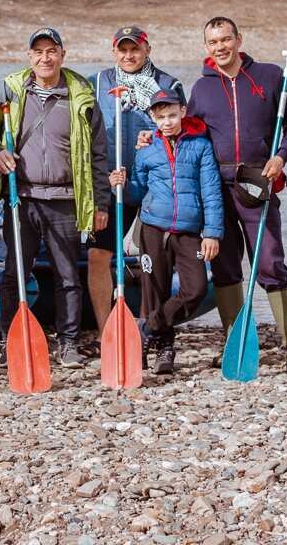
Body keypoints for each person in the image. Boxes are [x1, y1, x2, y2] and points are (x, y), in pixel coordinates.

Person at [0, 27, 109, 369]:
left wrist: (101, 203)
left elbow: (98, 155)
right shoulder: (11, 88)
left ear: (62, 54)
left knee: (67, 275)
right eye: (38, 52)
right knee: (14, 272)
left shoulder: (82, 93)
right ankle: (10, 341)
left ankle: (68, 344)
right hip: (22, 197)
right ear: (29, 56)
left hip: (66, 198)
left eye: (52, 51)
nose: (45, 58)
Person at [185, 16, 287, 373]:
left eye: (226, 39)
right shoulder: (202, 89)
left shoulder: (272, 77)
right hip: (216, 186)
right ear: (206, 47)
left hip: (258, 181)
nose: (220, 47)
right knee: (225, 267)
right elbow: (191, 138)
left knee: (271, 264)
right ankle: (233, 341)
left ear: (239, 39)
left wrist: (282, 154)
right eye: (213, 42)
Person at [87, 26, 186, 348]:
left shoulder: (168, 85)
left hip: (154, 186)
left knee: (151, 258)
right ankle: (105, 332)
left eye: (136, 49)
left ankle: (150, 328)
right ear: (114, 51)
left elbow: (182, 133)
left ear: (147, 49)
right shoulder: (98, 83)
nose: (129, 56)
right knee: (99, 255)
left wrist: (156, 142)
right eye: (123, 50)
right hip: (109, 184)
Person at [115, 88, 223, 374]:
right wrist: (122, 184)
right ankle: (164, 350)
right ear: (153, 117)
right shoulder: (147, 150)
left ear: (183, 112)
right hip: (153, 228)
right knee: (155, 292)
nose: (167, 122)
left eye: (172, 115)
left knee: (195, 289)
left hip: (189, 231)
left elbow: (211, 192)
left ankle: (148, 327)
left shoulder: (200, 146)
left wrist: (212, 232)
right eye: (161, 116)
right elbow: (137, 193)